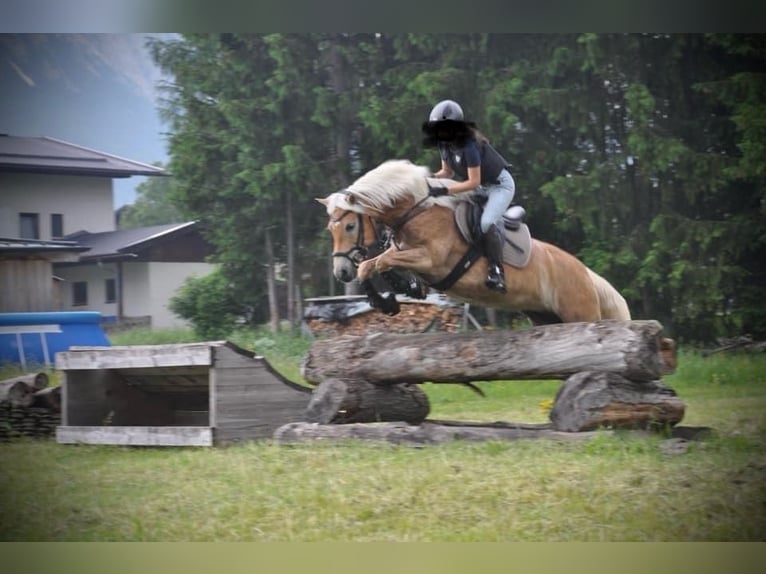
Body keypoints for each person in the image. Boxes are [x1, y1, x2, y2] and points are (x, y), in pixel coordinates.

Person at [421, 99, 515, 293]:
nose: (440, 133)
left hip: (499, 187)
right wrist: (427, 179)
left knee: (486, 223)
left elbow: (473, 182)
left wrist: (445, 190)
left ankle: (496, 270)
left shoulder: (468, 145)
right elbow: (447, 172)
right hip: (480, 187)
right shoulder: (444, 145)